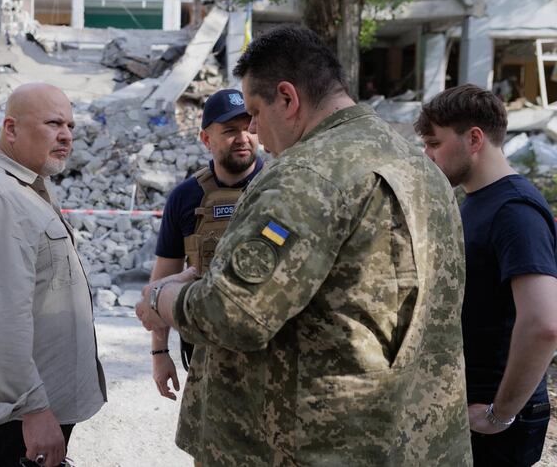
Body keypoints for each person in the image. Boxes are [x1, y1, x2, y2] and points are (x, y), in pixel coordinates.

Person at [135, 24, 472, 465]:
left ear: (289, 99)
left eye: (255, 112)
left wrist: (162, 297)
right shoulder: (419, 167)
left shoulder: (306, 174)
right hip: (410, 439)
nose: (254, 130)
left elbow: (233, 314)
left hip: (304, 445)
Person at [0, 83, 106, 467]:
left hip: (27, 410)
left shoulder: (24, 188)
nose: (66, 134)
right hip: (8, 420)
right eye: (53, 123)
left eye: (69, 125)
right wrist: (31, 409)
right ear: (10, 129)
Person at [415, 84, 557, 467]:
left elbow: (545, 324)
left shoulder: (515, 210)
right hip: (472, 406)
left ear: (474, 138)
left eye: (434, 144)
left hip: (497, 419)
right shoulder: (478, 199)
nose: (427, 156)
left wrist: (500, 413)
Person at [150, 88, 263, 400]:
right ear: (206, 139)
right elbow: (163, 278)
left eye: (248, 127)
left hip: (269, 349)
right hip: (204, 347)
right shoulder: (185, 197)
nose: (243, 138)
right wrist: (159, 351)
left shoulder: (281, 185)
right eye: (229, 131)